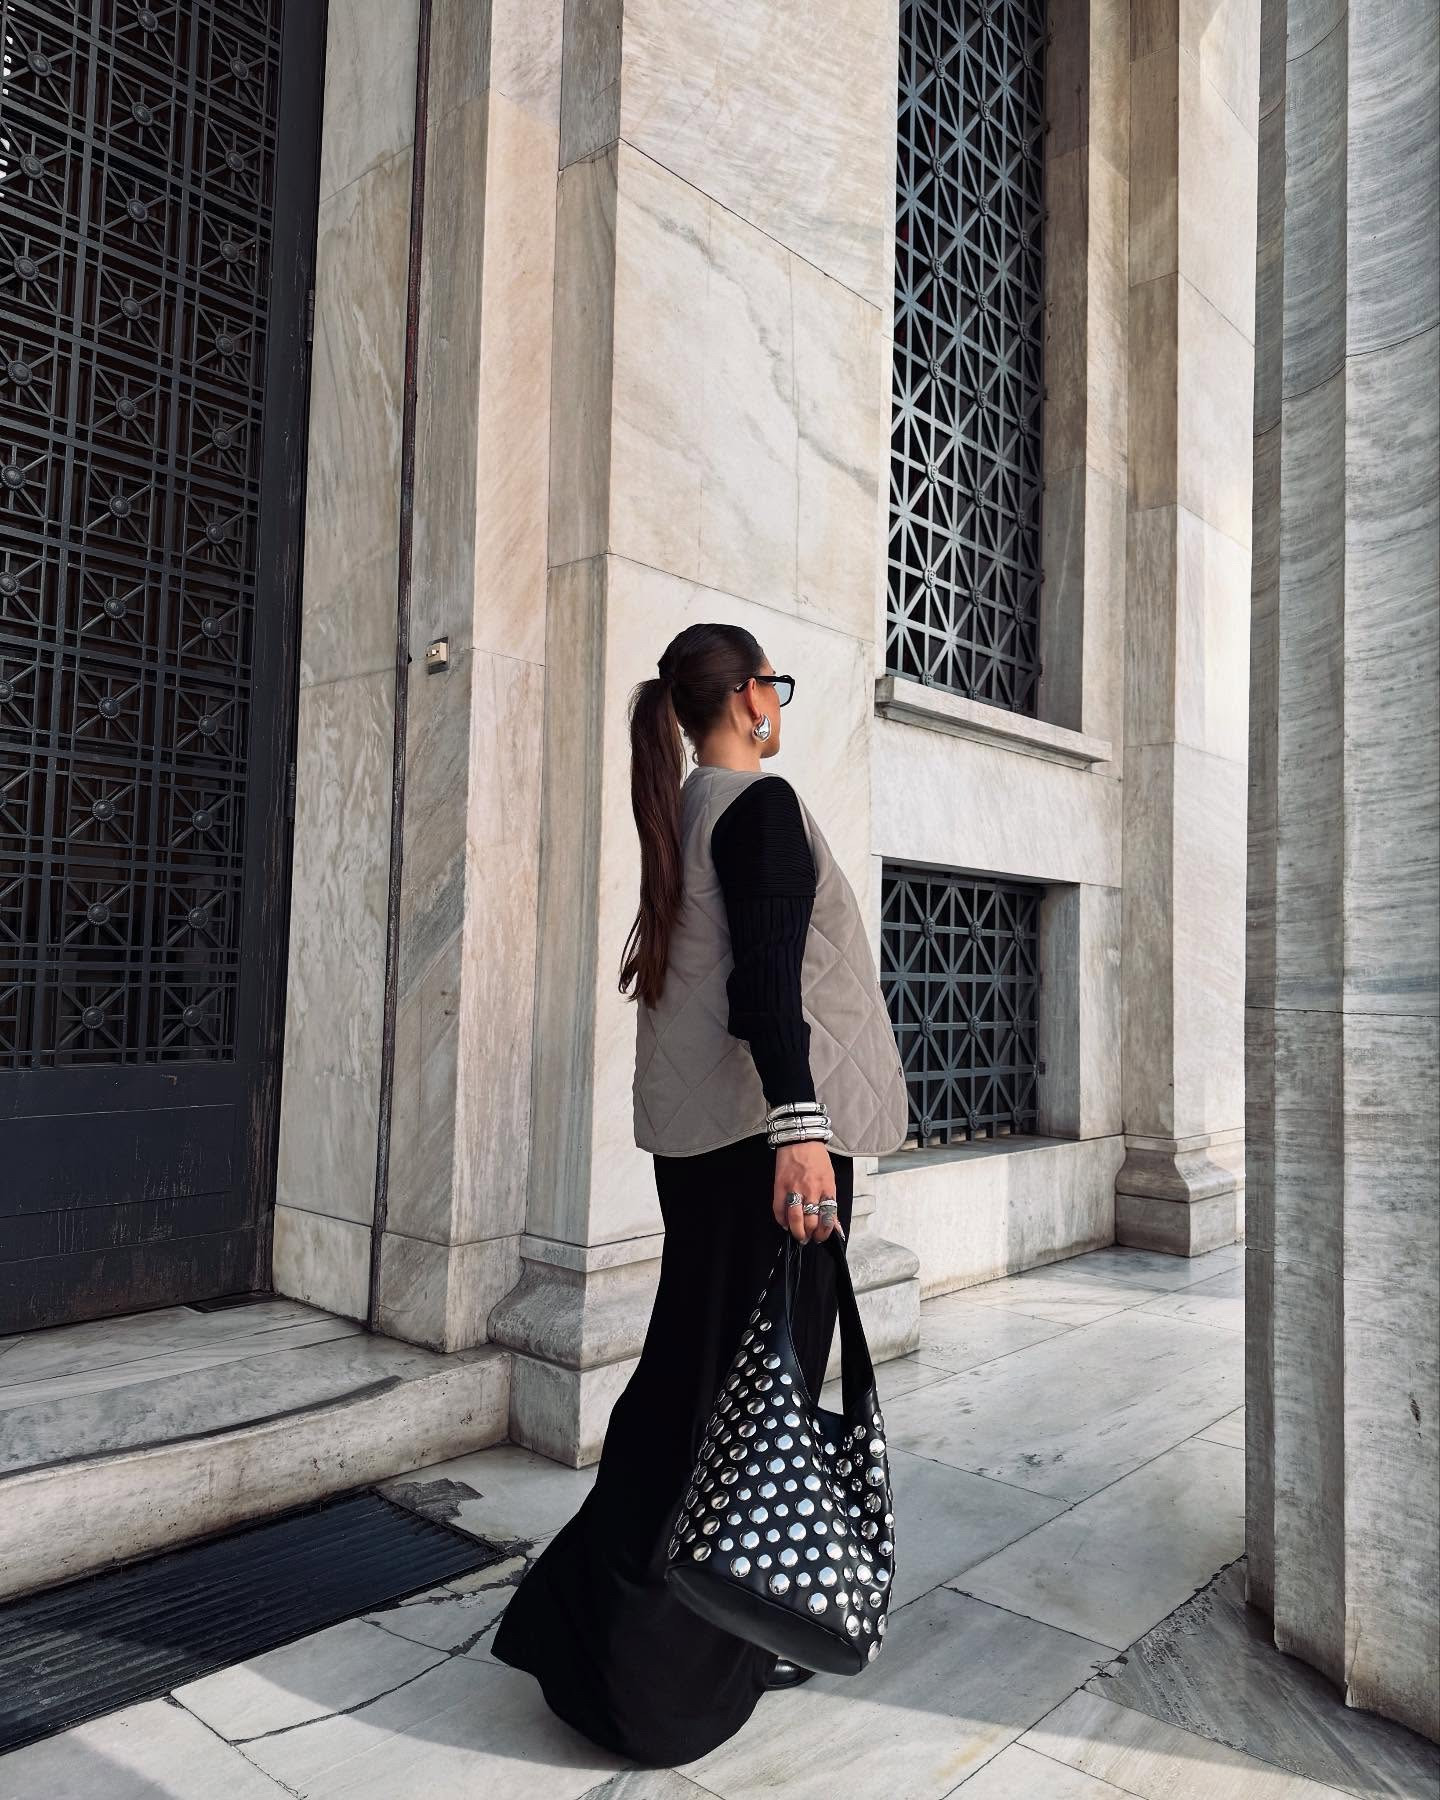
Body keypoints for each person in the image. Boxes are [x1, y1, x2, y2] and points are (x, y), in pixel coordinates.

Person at [491, 623, 910, 1766]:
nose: (780, 703)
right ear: (750, 702)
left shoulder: (682, 808)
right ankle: (657, 1666)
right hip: (770, 1147)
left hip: (710, 1150)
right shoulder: (757, 807)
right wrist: (804, 1129)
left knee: (697, 1380)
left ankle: (639, 1632)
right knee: (741, 1396)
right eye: (773, 684)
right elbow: (767, 982)